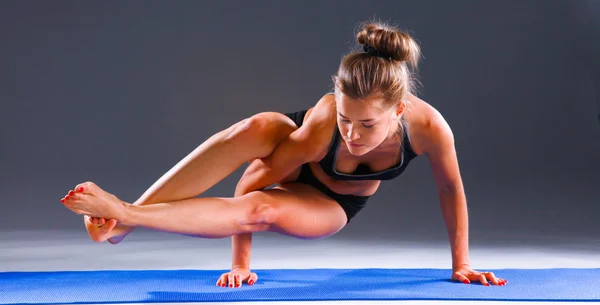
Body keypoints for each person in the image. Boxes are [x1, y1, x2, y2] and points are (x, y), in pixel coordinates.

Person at [60, 21, 507, 289]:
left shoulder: (430, 129)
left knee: (261, 209)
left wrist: (461, 264)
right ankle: (121, 223)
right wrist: (240, 263)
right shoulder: (323, 123)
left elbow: (451, 189)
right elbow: (251, 180)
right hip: (293, 153)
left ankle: (124, 214)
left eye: (368, 125)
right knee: (259, 127)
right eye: (346, 119)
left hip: (331, 202)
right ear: (336, 97)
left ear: (400, 110)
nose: (351, 135)